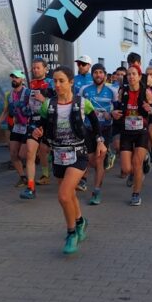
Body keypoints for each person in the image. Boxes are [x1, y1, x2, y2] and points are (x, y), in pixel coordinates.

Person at [31, 65, 103, 255]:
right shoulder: (48, 104)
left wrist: (100, 142)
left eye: (61, 81)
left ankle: (71, 233)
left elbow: (95, 124)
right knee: (69, 195)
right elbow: (41, 124)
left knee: (63, 195)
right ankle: (80, 221)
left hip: (78, 153)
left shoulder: (83, 103)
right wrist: (37, 130)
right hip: (58, 154)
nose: (57, 84)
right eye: (55, 81)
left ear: (71, 82)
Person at [112, 64, 152, 206]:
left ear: (139, 76)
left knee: (137, 164)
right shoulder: (122, 91)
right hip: (126, 131)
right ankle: (144, 163)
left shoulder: (146, 92)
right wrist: (114, 113)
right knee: (126, 169)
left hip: (141, 131)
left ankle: (136, 194)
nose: (131, 77)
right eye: (129, 74)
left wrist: (150, 109)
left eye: (134, 74)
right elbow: (117, 108)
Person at [20, 58, 55, 199]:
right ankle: (31, 187)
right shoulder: (30, 84)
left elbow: (58, 102)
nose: (35, 70)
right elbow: (26, 104)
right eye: (33, 68)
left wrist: (44, 100)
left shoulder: (52, 82)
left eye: (38, 67)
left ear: (45, 69)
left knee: (45, 150)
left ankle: (50, 172)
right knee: (30, 153)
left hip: (48, 122)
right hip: (33, 121)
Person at [80, 63, 114, 204]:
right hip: (89, 129)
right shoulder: (84, 89)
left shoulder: (112, 91)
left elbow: (117, 109)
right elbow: (78, 106)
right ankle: (108, 156)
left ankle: (96, 192)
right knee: (90, 160)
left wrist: (110, 114)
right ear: (92, 74)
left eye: (100, 72)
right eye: (95, 72)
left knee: (99, 161)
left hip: (105, 129)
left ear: (105, 75)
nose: (98, 75)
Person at [0, 70, 30, 187]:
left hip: (28, 127)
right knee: (13, 154)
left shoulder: (28, 93)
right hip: (16, 127)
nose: (14, 79)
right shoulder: (8, 95)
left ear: (22, 79)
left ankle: (33, 167)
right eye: (13, 77)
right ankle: (23, 177)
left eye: (17, 77)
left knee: (23, 154)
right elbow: (6, 111)